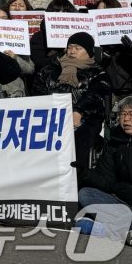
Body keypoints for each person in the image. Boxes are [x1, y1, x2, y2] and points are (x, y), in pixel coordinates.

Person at [32, 32, 112, 179]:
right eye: (70, 47)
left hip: (82, 121)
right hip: (50, 118)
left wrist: (79, 111)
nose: (72, 51)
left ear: (89, 52)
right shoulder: (49, 71)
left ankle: (77, 177)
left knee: (83, 135)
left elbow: (96, 95)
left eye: (78, 48)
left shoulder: (98, 73)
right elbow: (38, 94)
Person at [76, 95, 132, 248]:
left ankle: (102, 230)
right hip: (122, 204)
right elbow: (107, 181)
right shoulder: (115, 142)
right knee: (85, 194)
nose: (125, 119)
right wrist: (84, 173)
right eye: (122, 114)